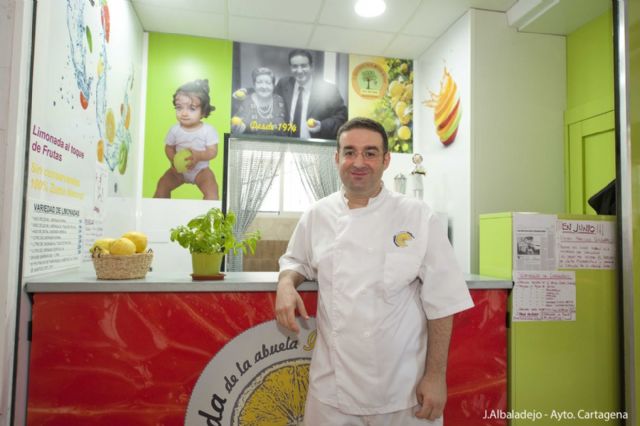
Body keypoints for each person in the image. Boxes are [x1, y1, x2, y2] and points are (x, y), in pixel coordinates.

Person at [275, 117, 473, 425]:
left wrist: (435, 377)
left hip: (403, 390)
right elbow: (295, 262)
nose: (359, 162)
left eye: (370, 153)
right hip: (332, 390)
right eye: (350, 152)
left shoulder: (417, 215)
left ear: (386, 160)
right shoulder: (317, 215)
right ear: (337, 158)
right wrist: (286, 284)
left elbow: (443, 301)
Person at [154, 79, 219, 200]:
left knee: (212, 192)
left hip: (201, 171)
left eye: (192, 109)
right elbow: (169, 148)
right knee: (162, 185)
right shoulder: (175, 130)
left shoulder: (208, 130)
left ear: (203, 112)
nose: (184, 113)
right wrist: (173, 160)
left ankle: (207, 211)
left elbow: (212, 151)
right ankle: (158, 209)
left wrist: (198, 155)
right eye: (179, 108)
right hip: (178, 171)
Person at [275, 49, 348, 139]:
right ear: (290, 68)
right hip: (286, 143)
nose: (299, 71)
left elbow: (342, 118)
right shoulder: (283, 84)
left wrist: (321, 126)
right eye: (295, 66)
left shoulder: (328, 89)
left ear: (311, 66)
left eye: (303, 66)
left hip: (315, 145)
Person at [231, 67, 287, 136]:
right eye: (259, 82)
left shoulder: (279, 100)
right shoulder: (245, 101)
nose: (264, 86)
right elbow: (235, 127)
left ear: (273, 86)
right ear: (254, 85)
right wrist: (238, 128)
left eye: (268, 83)